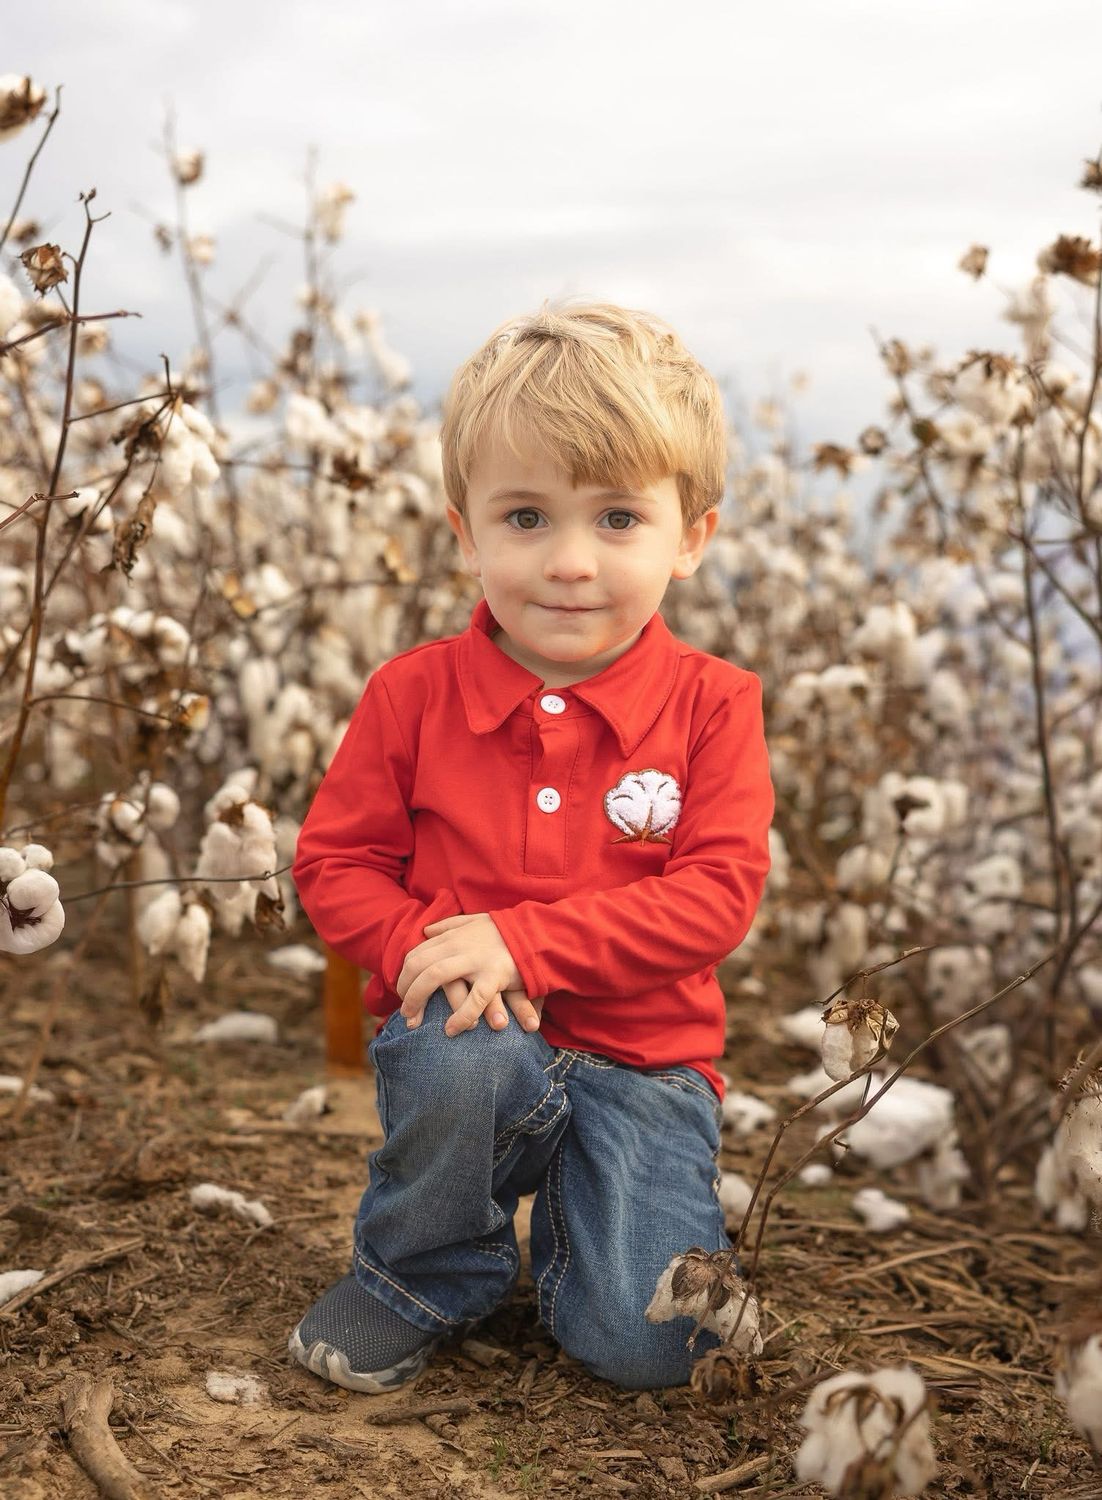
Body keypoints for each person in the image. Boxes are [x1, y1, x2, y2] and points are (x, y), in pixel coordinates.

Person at [287, 299, 775, 1394]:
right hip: (471, 1034)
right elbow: (334, 863)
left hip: (649, 1068)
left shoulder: (712, 707)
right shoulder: (410, 696)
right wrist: (437, 952)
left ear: (689, 536)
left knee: (649, 1347)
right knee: (462, 1050)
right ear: (463, 530)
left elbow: (714, 899)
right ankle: (419, 1272)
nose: (567, 562)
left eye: (615, 520)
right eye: (523, 518)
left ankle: (582, 1216)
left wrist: (523, 941)